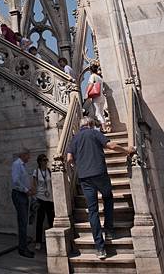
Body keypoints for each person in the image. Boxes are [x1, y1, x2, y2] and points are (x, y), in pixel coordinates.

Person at [67, 116, 135, 260]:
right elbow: (111, 146)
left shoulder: (75, 138)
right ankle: (109, 229)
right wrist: (126, 150)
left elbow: (69, 159)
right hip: (99, 173)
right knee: (108, 198)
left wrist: (79, 166)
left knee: (92, 212)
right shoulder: (94, 133)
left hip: (85, 178)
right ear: (91, 125)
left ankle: (100, 248)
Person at [11, 148, 35, 258]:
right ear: (23, 155)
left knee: (24, 222)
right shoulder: (17, 164)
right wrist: (26, 190)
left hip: (23, 195)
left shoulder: (22, 165)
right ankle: (22, 249)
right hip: (19, 195)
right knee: (23, 222)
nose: (29, 158)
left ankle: (23, 247)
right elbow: (16, 181)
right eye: (28, 156)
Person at [32, 154, 54, 250]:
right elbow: (33, 185)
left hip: (49, 198)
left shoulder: (49, 171)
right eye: (44, 160)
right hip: (40, 198)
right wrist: (34, 197)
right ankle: (38, 242)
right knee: (40, 220)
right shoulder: (36, 172)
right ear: (40, 161)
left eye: (46, 160)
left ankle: (53, 240)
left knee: (51, 219)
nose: (46, 162)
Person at [86, 64, 106, 130]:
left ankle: (103, 128)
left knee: (97, 113)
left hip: (96, 96)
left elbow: (91, 84)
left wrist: (87, 93)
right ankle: (104, 127)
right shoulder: (99, 77)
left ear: (91, 70)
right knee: (101, 113)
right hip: (102, 96)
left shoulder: (92, 76)